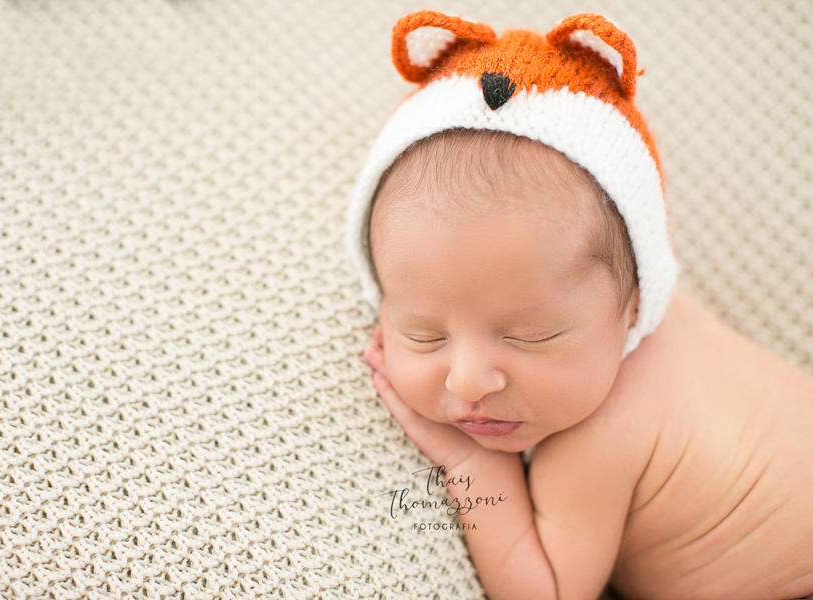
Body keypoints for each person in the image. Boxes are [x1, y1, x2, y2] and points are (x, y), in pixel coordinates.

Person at [346, 10, 813, 600]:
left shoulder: (594, 439)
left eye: (530, 336)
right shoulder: (615, 302)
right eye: (423, 335)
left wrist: (473, 467)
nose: (467, 382)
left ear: (634, 308)